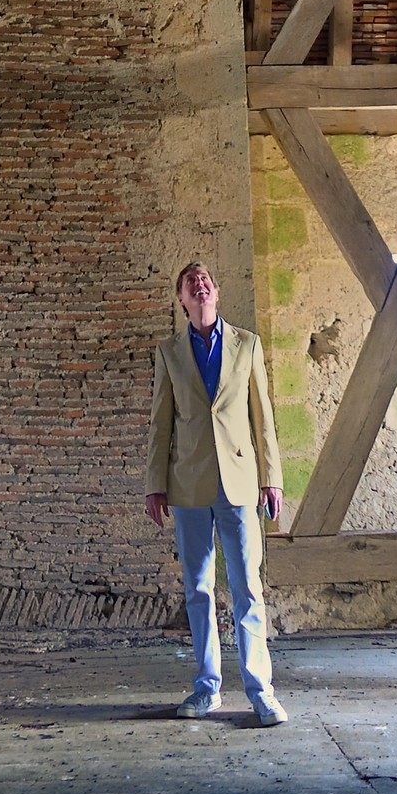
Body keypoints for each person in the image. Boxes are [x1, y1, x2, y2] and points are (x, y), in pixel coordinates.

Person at [144, 259, 288, 725]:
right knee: (198, 590)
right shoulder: (169, 353)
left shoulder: (247, 344)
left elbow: (262, 415)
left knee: (247, 587)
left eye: (205, 279)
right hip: (186, 485)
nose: (199, 285)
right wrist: (154, 486)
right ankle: (207, 689)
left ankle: (261, 691)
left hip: (241, 483)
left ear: (217, 292)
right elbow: (160, 423)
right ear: (182, 300)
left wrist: (272, 477)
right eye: (190, 282)